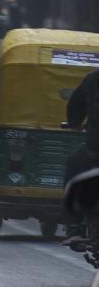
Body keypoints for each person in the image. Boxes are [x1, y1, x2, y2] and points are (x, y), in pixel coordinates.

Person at [63, 66, 99, 243]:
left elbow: (74, 109)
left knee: (73, 166)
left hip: (94, 150)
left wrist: (74, 122)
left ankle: (74, 226)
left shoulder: (93, 79)